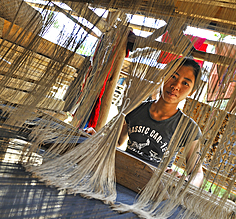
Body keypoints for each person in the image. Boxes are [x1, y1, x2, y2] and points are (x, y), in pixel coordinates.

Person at [86, 58, 204, 187]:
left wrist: (186, 181)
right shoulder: (135, 108)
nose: (176, 86)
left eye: (185, 83)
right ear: (164, 76)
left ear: (192, 92)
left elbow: (197, 174)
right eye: (173, 77)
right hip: (119, 176)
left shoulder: (188, 128)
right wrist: (97, 137)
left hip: (153, 188)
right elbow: (117, 141)